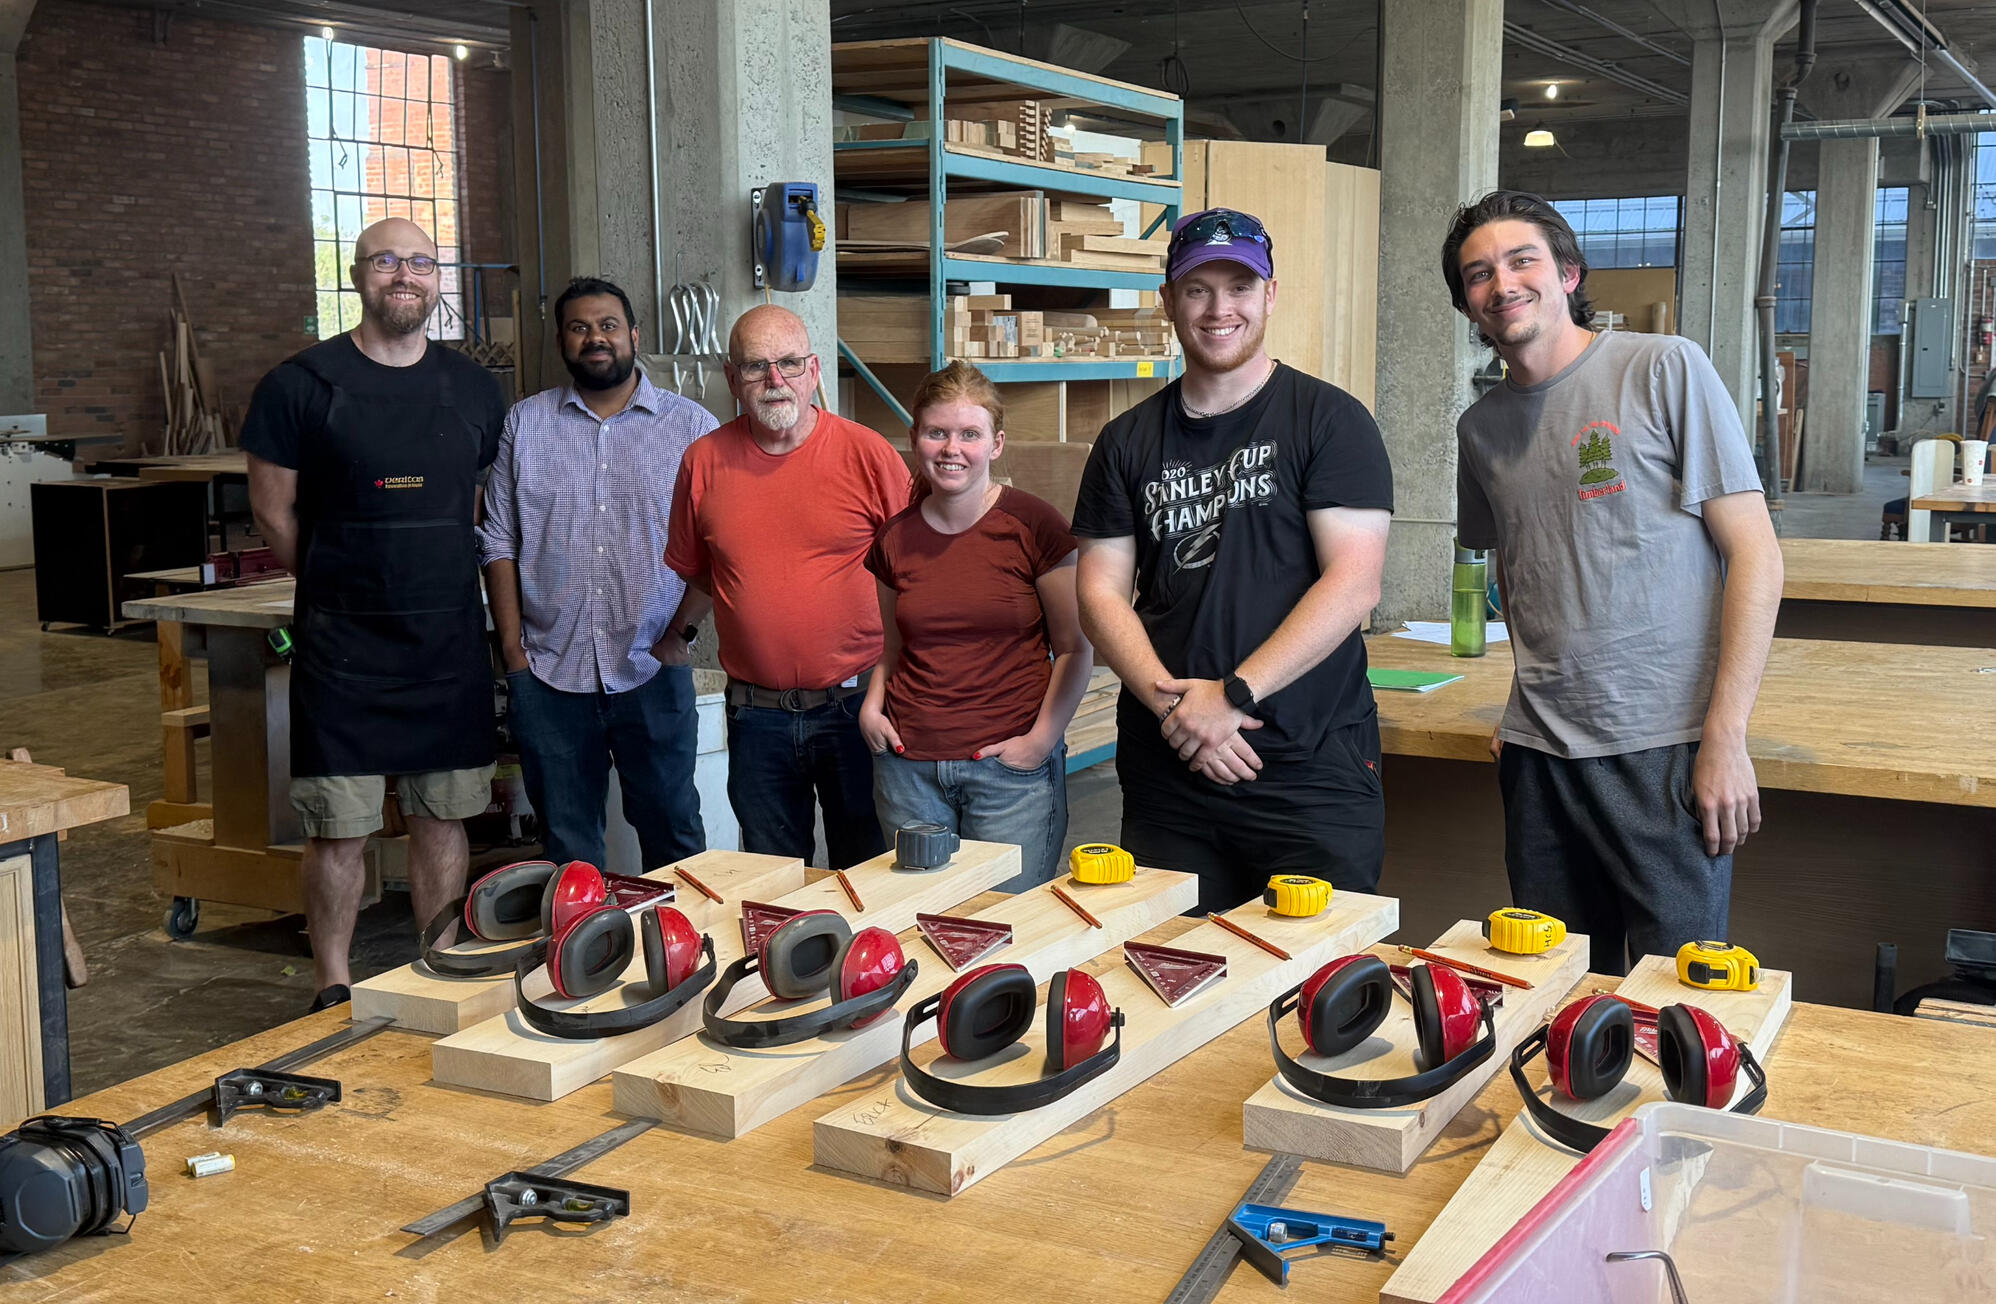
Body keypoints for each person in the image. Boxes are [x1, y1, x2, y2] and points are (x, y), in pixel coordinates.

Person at [1442, 189, 1784, 976]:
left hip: (1661, 748)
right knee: (1556, 987)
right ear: (1467, 303)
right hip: (1539, 757)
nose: (1502, 284)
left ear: (1568, 273)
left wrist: (1725, 738)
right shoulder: (1480, 428)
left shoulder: (1663, 368)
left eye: (1522, 261)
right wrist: (1521, 698)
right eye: (1479, 273)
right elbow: (1523, 567)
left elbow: (1756, 555)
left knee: (1676, 993)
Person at [1072, 208, 1395, 915]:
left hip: (1308, 767)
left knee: (1318, 970)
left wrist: (1232, 698)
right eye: (1198, 289)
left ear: (1270, 295)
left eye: (1240, 287)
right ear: (1168, 301)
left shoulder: (1330, 421)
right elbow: (1099, 594)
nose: (1220, 309)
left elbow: (1354, 583)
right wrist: (1179, 711)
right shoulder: (1125, 441)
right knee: (1171, 966)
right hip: (1170, 772)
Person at [244, 217, 506, 1010]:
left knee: (444, 819)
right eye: (387, 261)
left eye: (421, 262)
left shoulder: (474, 389)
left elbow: (478, 503)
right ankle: (332, 981)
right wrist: (347, 579)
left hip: (445, 643)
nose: (405, 275)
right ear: (358, 276)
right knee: (338, 829)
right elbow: (274, 514)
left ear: (437, 280)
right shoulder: (298, 386)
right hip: (343, 649)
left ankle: (441, 968)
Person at [479, 276, 712, 872]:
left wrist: (680, 636)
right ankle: (581, 936)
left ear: (634, 334)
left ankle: (678, 936)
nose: (595, 338)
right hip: (548, 673)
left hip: (651, 667)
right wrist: (513, 651)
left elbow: (720, 544)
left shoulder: (691, 428)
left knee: (674, 836)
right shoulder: (526, 424)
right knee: (568, 847)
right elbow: (498, 538)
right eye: (579, 328)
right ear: (562, 341)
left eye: (608, 325)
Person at [665, 306, 909, 869]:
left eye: (790, 363)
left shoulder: (867, 453)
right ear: (733, 378)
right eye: (756, 366)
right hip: (757, 717)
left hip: (857, 707)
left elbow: (913, 573)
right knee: (772, 879)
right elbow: (699, 567)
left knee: (869, 870)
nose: (775, 379)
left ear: (814, 370)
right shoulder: (703, 461)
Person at [859, 363, 1094, 890]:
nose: (952, 448)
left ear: (996, 444)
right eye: (937, 432)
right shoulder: (894, 539)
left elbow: (1075, 649)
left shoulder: (1035, 526)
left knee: (1007, 921)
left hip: (1008, 775)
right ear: (915, 439)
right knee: (920, 918)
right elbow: (893, 649)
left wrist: (1039, 742)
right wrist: (871, 708)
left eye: (969, 434)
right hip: (908, 771)